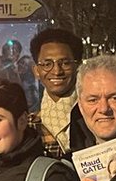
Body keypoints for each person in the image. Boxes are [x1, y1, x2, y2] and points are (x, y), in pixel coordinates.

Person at [30, 28, 84, 157]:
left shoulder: (94, 117)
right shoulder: (27, 125)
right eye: (47, 64)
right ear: (36, 71)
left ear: (78, 67)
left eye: (65, 63)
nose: (56, 71)